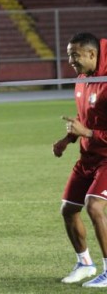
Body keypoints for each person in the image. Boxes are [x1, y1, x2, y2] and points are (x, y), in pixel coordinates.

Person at [53, 32, 107, 288]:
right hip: (88, 157)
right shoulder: (82, 80)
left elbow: (88, 129)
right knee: (68, 209)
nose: (70, 60)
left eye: (74, 55)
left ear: (92, 54)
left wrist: (87, 133)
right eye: (68, 55)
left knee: (94, 207)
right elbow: (83, 119)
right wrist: (67, 141)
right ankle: (85, 263)